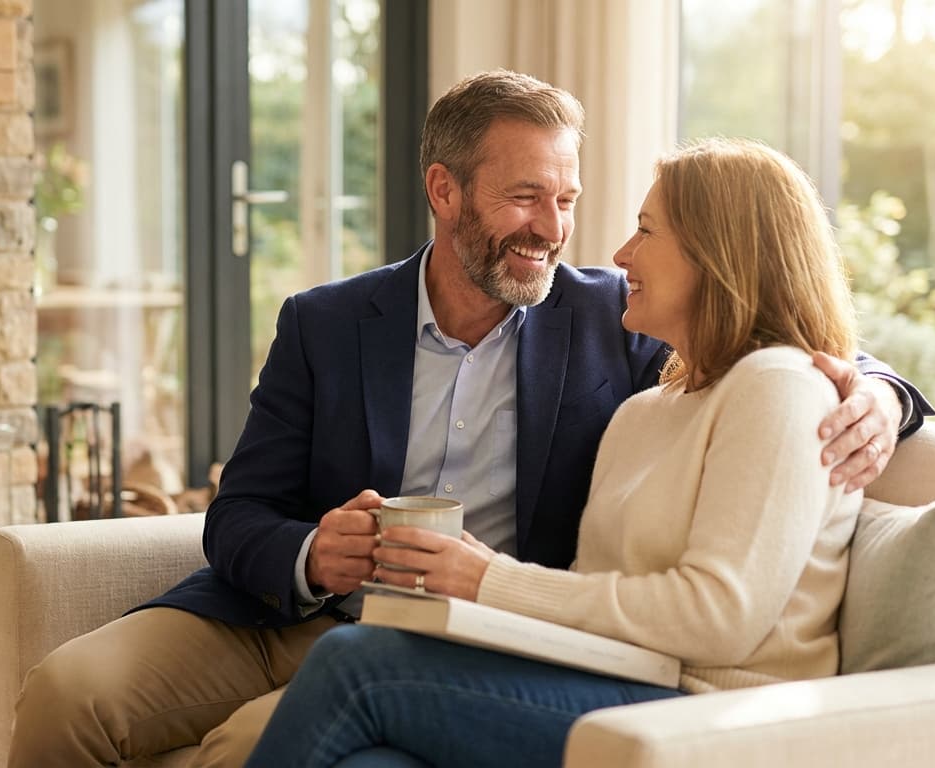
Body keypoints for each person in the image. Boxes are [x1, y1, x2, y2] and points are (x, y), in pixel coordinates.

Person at [6, 71, 933, 768]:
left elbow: (772, 342)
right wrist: (309, 554)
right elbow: (237, 514)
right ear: (445, 191)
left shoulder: (617, 322)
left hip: (463, 638)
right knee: (65, 693)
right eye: (526, 196)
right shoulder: (325, 323)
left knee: (254, 743)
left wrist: (879, 395)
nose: (556, 229)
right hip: (286, 612)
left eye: (566, 199)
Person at [244, 136, 872, 768]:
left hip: (708, 714)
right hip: (611, 679)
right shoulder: (644, 412)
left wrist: (487, 579)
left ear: (721, 254)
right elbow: (592, 594)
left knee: (357, 666)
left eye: (646, 231)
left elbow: (722, 617)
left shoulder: (781, 389)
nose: (622, 253)